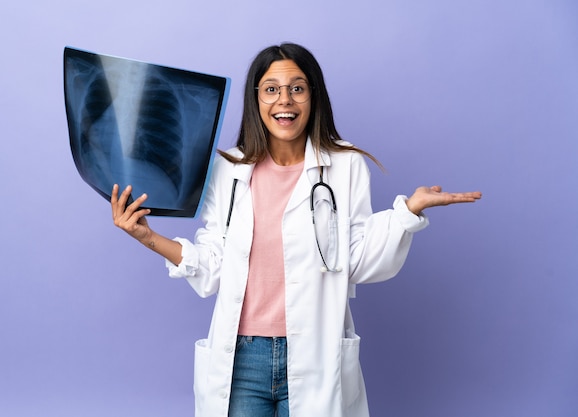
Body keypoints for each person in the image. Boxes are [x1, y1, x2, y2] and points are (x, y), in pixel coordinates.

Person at [111, 43, 482, 417]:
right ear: (255, 98)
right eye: (271, 89)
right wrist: (149, 238)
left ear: (313, 96)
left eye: (297, 88)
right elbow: (212, 268)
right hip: (242, 358)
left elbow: (356, 260)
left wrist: (407, 213)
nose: (284, 100)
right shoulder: (229, 171)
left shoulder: (345, 164)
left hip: (315, 351)